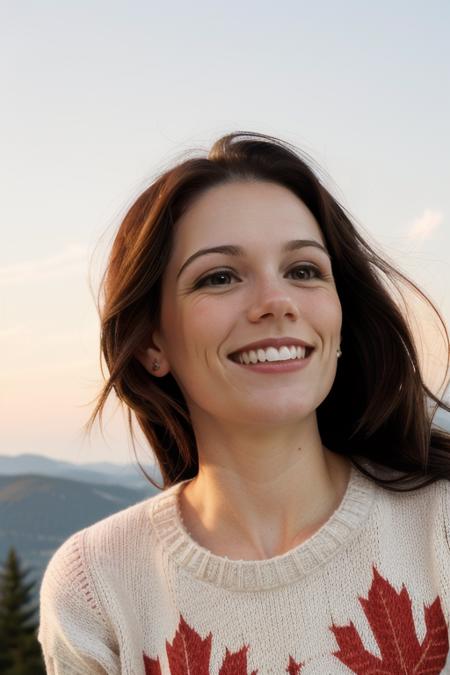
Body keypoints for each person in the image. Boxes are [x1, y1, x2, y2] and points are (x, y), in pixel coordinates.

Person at [38, 132, 450, 674]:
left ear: (340, 316)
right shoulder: (95, 586)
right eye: (220, 277)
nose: (276, 302)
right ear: (151, 344)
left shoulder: (440, 527)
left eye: (304, 270)